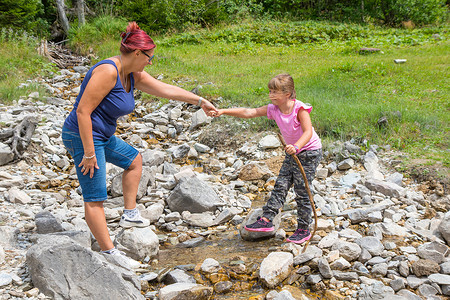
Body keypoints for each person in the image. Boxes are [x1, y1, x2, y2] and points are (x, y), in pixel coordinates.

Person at [62, 22, 218, 260]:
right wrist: (90, 153)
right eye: (149, 57)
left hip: (102, 135)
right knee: (95, 197)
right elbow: (83, 111)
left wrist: (199, 101)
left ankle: (129, 213)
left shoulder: (132, 74)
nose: (150, 62)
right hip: (82, 135)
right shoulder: (108, 72)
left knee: (134, 160)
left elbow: (165, 89)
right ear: (137, 53)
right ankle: (110, 253)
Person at [213, 73, 322, 244]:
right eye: (270, 91)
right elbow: (249, 112)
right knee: (281, 185)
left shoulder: (299, 109)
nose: (271, 95)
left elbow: (308, 132)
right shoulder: (273, 109)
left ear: (287, 93)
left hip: (308, 152)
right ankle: (266, 220)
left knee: (302, 191)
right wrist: (223, 111)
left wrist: (297, 146)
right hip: (292, 151)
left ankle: (303, 229)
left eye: (275, 92)